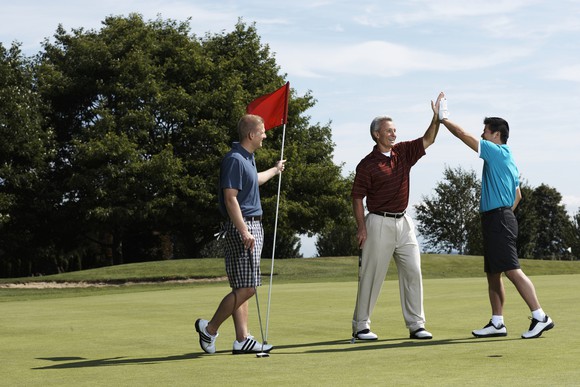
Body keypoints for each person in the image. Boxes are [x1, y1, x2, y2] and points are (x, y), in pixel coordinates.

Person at [439, 95, 554, 339]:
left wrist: (444, 118)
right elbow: (518, 196)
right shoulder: (508, 159)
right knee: (493, 273)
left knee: (512, 270)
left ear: (495, 135)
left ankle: (540, 316)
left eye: (485, 131)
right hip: (499, 218)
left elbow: (463, 135)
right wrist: (502, 214)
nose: (482, 135)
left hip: (499, 219)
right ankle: (497, 322)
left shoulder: (497, 152)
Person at [351, 92, 444, 341]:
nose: (394, 134)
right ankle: (361, 326)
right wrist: (361, 228)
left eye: (394, 130)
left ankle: (416, 324)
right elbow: (357, 198)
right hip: (377, 222)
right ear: (377, 135)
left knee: (413, 271)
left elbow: (428, 139)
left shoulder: (403, 153)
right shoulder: (367, 164)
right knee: (371, 275)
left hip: (404, 222)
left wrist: (436, 118)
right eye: (389, 131)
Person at [195, 114, 286, 354]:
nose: (265, 135)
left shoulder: (247, 158)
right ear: (251, 135)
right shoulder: (235, 159)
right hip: (243, 225)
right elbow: (230, 197)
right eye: (263, 131)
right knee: (249, 288)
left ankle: (242, 338)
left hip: (251, 224)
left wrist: (275, 170)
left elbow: (254, 180)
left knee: (241, 286)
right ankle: (210, 329)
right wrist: (244, 230)